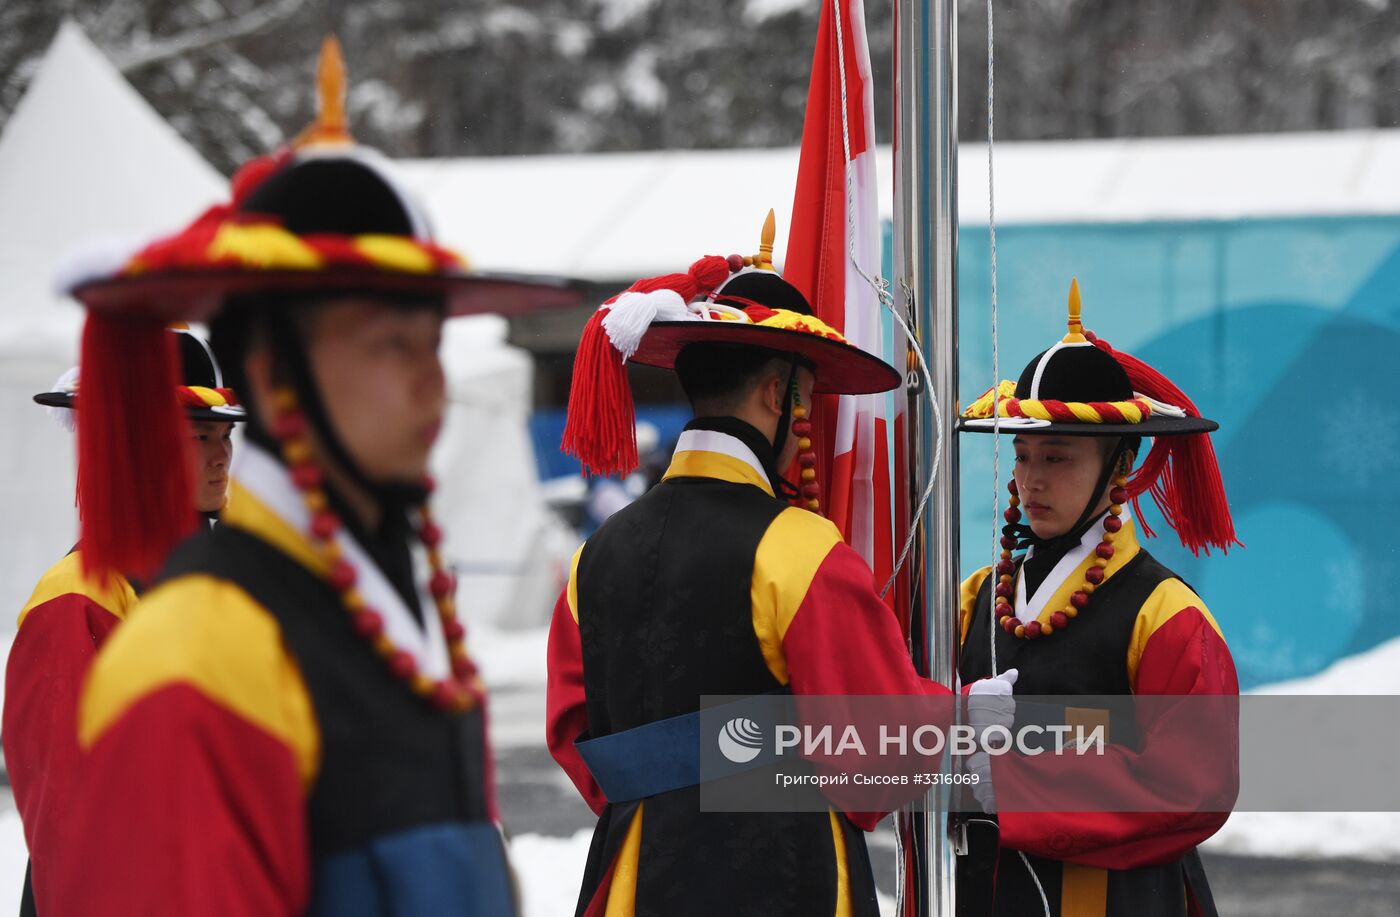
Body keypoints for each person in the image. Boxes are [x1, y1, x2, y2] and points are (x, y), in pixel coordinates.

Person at [49, 38, 578, 917]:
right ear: (274, 367)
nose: (431, 381)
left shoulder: (380, 608)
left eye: (433, 342)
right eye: (388, 344)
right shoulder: (200, 649)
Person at [547, 222, 1016, 917]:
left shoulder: (596, 554)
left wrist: (674, 782)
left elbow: (574, 733)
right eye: (807, 398)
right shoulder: (796, 546)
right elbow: (874, 753)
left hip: (628, 880)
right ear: (778, 394)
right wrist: (963, 714)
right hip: (779, 878)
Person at [955, 280, 1240, 917]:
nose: (1031, 481)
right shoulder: (976, 598)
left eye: (1057, 458)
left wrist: (1004, 780)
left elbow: (1193, 787)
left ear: (1120, 464)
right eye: (1023, 456)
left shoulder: (1165, 614)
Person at [4, 328, 245, 916]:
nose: (220, 455)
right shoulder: (77, 600)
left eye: (224, 435)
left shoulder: (228, 580)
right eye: (197, 436)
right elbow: (70, 824)